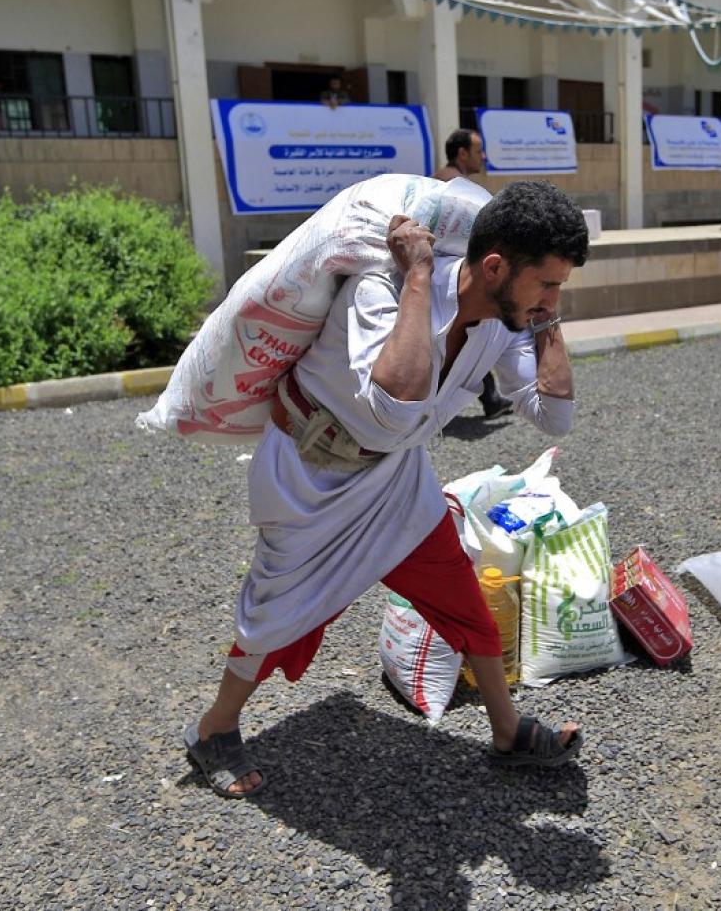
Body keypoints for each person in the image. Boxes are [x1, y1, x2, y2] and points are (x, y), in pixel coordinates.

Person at [183, 180, 589, 798]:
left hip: (395, 478)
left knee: (462, 597)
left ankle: (507, 732)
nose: (553, 297)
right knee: (273, 613)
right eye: (547, 283)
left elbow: (552, 414)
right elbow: (395, 409)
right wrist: (420, 277)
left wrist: (545, 318)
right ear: (495, 267)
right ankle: (214, 729)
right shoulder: (383, 288)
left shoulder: (505, 323)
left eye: (560, 286)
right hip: (310, 474)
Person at [431, 129, 509, 417]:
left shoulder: (447, 179)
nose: (483, 156)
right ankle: (487, 399)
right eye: (478, 150)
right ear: (462, 153)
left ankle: (488, 398)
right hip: (448, 280)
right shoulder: (453, 184)